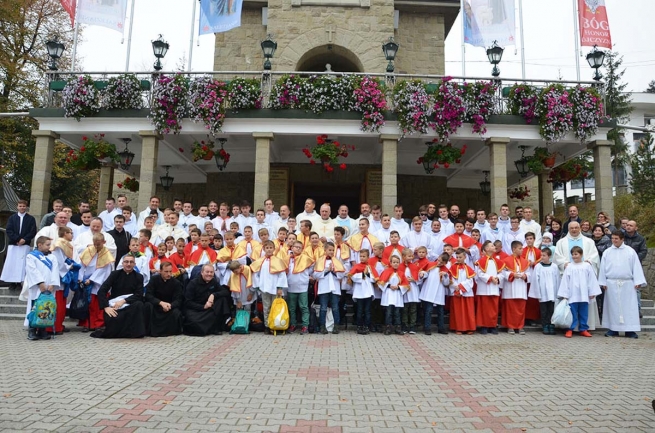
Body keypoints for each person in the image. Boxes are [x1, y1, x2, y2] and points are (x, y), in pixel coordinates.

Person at [599, 231, 647, 339]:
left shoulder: (630, 252)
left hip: (627, 284)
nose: (614, 240)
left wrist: (637, 281)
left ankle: (629, 329)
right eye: (613, 238)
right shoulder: (607, 252)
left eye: (616, 238)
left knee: (629, 307)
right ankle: (613, 328)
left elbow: (636, 266)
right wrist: (603, 281)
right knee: (613, 307)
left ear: (622, 239)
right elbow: (603, 267)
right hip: (611, 283)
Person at [553, 221, 600, 330]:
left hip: (584, 278)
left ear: (580, 228)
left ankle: (584, 326)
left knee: (584, 305)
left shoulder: (588, 242)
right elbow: (557, 257)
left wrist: (589, 262)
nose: (574, 230)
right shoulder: (561, 242)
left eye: (576, 228)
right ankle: (570, 326)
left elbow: (594, 256)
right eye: (571, 228)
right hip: (569, 277)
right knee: (571, 304)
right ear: (568, 229)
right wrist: (564, 264)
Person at [91, 254, 146, 339]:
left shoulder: (139, 277)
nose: (128, 264)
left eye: (131, 262)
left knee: (139, 304)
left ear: (134, 264)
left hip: (130, 304)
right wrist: (106, 307)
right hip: (115, 305)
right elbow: (102, 291)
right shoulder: (115, 274)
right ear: (122, 263)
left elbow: (139, 294)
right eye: (126, 262)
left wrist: (124, 301)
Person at [19, 236, 60, 341]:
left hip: (49, 288)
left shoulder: (52, 257)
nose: (49, 247)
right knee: (35, 308)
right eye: (47, 245)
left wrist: (53, 284)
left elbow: (55, 271)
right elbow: (32, 270)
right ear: (39, 245)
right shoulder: (31, 256)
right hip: (37, 288)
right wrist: (40, 283)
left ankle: (43, 330)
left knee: (47, 308)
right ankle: (32, 330)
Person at [557, 246, 601, 338]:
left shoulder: (587, 266)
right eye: (572, 254)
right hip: (572, 294)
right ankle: (570, 329)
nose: (574, 256)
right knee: (572, 312)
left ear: (581, 254)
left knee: (583, 312)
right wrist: (565, 294)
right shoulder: (569, 267)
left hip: (584, 294)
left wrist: (592, 292)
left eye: (576, 254)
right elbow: (565, 281)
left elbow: (591, 279)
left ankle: (583, 329)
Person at [78, 233, 115, 332]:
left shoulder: (106, 254)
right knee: (87, 304)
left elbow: (103, 270)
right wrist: (80, 277)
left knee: (97, 305)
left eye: (99, 244)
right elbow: (82, 265)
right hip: (86, 280)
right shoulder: (88, 250)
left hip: (98, 283)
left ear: (104, 242)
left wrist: (92, 280)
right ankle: (87, 323)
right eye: (95, 244)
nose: (96, 246)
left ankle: (98, 324)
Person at [183, 264, 232, 336]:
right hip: (196, 309)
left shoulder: (214, 281)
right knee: (194, 323)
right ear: (202, 272)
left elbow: (225, 292)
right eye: (207, 272)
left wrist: (213, 295)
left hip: (209, 308)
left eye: (211, 272)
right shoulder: (193, 283)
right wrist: (203, 307)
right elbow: (188, 302)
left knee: (222, 299)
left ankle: (216, 328)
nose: (209, 274)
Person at [251, 241, 288, 333]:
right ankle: (267, 325)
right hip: (265, 288)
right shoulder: (260, 261)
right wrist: (258, 285)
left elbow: (281, 275)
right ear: (264, 249)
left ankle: (276, 325)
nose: (269, 250)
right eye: (267, 248)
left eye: (271, 248)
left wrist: (280, 287)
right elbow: (256, 274)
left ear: (274, 249)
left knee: (275, 307)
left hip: (275, 288)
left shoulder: (278, 261)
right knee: (266, 307)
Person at [1, 199, 37, 291]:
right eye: (20, 206)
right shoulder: (12, 218)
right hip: (14, 244)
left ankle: (20, 282)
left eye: (24, 206)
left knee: (22, 264)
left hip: (25, 245)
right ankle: (12, 282)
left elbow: (32, 231)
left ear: (26, 207)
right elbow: (9, 230)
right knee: (12, 263)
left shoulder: (30, 218)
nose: (22, 208)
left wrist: (24, 239)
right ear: (17, 207)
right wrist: (17, 239)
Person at [50, 226, 79, 335]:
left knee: (62, 302)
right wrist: (70, 267)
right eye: (70, 232)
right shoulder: (59, 245)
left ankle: (59, 325)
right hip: (59, 277)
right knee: (59, 303)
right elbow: (59, 263)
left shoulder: (64, 244)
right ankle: (55, 327)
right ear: (65, 233)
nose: (72, 235)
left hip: (62, 276)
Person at [313, 242, 345, 334]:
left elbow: (342, 274)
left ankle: (336, 326)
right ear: (325, 250)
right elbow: (315, 275)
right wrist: (326, 271)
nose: (331, 252)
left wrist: (334, 271)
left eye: (332, 250)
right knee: (323, 307)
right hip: (324, 288)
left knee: (335, 307)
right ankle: (322, 326)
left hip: (334, 288)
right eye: (329, 250)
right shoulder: (319, 260)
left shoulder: (337, 261)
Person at [475, 241, 504, 335]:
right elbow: (479, 274)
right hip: (484, 288)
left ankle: (492, 325)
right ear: (486, 249)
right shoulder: (481, 261)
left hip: (494, 287)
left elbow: (502, 273)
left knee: (493, 308)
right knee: (484, 308)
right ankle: (484, 326)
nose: (494, 246)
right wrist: (491, 278)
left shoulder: (497, 261)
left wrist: (497, 278)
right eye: (491, 245)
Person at [529, 248, 560, 335]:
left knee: (551, 309)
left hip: (552, 292)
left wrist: (558, 292)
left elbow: (557, 279)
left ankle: (551, 325)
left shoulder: (554, 266)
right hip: (543, 292)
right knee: (544, 310)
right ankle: (545, 325)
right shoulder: (538, 267)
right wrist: (537, 293)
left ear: (549, 256)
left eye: (544, 255)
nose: (542, 257)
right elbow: (535, 280)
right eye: (541, 255)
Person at [502, 241, 530, 335]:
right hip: (511, 287)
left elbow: (529, 273)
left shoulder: (525, 261)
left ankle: (520, 326)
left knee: (520, 308)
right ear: (514, 249)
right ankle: (511, 326)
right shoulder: (506, 260)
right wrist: (511, 274)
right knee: (511, 308)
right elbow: (502, 273)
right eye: (520, 248)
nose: (522, 250)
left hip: (521, 287)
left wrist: (525, 276)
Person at [348, 249, 379, 335]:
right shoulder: (357, 266)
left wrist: (368, 274)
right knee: (359, 310)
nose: (362, 258)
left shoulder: (370, 267)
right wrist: (362, 274)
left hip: (368, 292)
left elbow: (375, 279)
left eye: (364, 256)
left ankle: (366, 326)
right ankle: (359, 326)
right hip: (359, 292)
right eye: (360, 256)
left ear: (368, 257)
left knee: (367, 310)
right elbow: (352, 277)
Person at [286, 242, 314, 334]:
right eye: (296, 247)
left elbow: (312, 266)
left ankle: (305, 325)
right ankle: (293, 324)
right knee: (292, 308)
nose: (298, 249)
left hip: (302, 286)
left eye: (300, 247)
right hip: (291, 286)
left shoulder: (305, 258)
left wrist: (307, 276)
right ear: (292, 248)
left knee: (304, 307)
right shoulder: (287, 258)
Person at [419, 253, 450, 335]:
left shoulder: (445, 270)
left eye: (442, 262)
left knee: (440, 311)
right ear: (438, 258)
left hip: (439, 292)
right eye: (439, 260)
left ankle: (441, 327)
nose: (439, 263)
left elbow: (446, 283)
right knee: (428, 310)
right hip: (430, 290)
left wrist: (445, 276)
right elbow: (426, 273)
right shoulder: (431, 265)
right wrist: (422, 274)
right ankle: (427, 328)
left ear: (445, 263)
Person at [623, 220, 648, 318]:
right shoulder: (621, 236)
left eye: (631, 225)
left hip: (635, 267)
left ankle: (637, 309)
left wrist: (634, 260)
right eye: (627, 225)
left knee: (636, 288)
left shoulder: (640, 238)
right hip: (622, 266)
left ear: (636, 228)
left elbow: (643, 251)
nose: (628, 227)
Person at [377, 255, 406, 335]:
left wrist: (399, 287)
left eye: (397, 262)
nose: (395, 264)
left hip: (397, 295)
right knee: (388, 312)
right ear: (390, 263)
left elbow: (406, 284)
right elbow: (380, 282)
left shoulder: (401, 273)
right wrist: (389, 286)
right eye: (394, 262)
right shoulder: (386, 272)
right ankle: (388, 328)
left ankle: (398, 328)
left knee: (397, 313)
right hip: (389, 294)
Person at [400, 249, 421, 334]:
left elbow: (419, 279)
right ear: (403, 257)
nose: (411, 257)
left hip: (413, 289)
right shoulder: (400, 266)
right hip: (404, 290)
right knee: (404, 309)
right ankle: (404, 325)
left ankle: (412, 326)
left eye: (412, 256)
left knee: (413, 309)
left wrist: (414, 279)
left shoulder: (415, 266)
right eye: (409, 256)